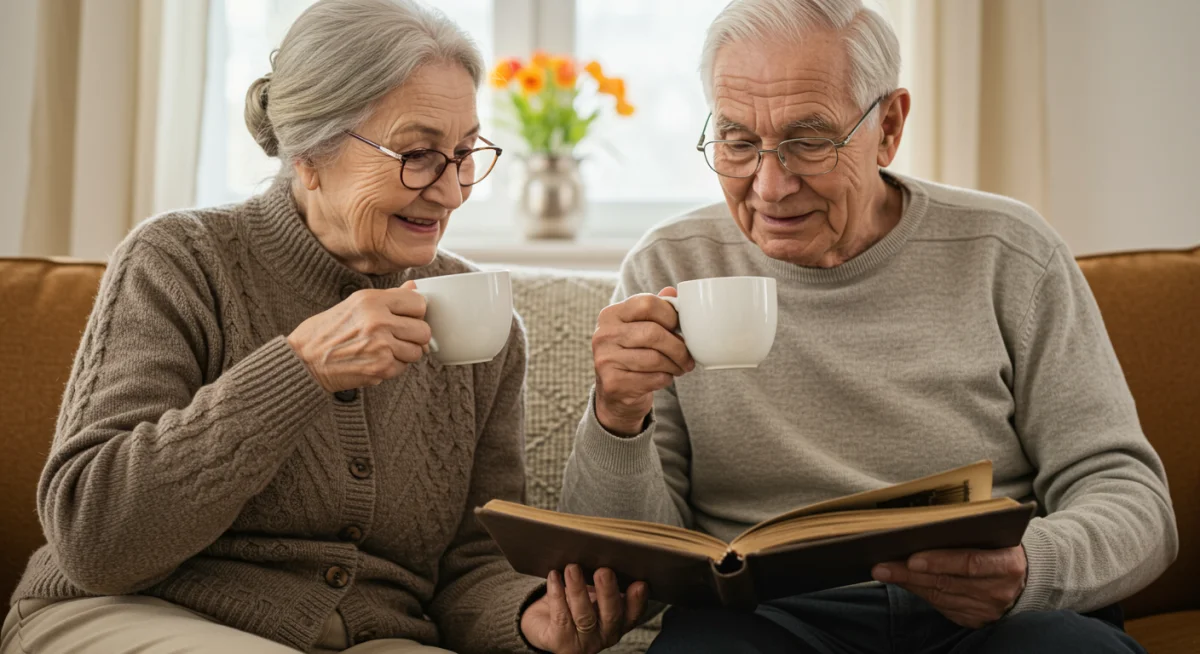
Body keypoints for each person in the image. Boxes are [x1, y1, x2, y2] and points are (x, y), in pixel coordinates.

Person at [0, 1, 643, 652]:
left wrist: (531, 618)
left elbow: (472, 565)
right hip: (142, 611)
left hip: (375, 636)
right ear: (309, 153)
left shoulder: (478, 318)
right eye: (418, 154)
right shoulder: (181, 261)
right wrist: (297, 370)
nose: (451, 192)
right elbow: (95, 538)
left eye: (466, 153)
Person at [558, 0, 1177, 652]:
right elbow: (631, 564)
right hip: (767, 621)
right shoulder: (668, 266)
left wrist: (1031, 567)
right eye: (738, 142)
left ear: (888, 126)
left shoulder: (1010, 253)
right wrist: (616, 415)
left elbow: (1136, 503)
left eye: (809, 140)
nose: (769, 187)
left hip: (994, 619)